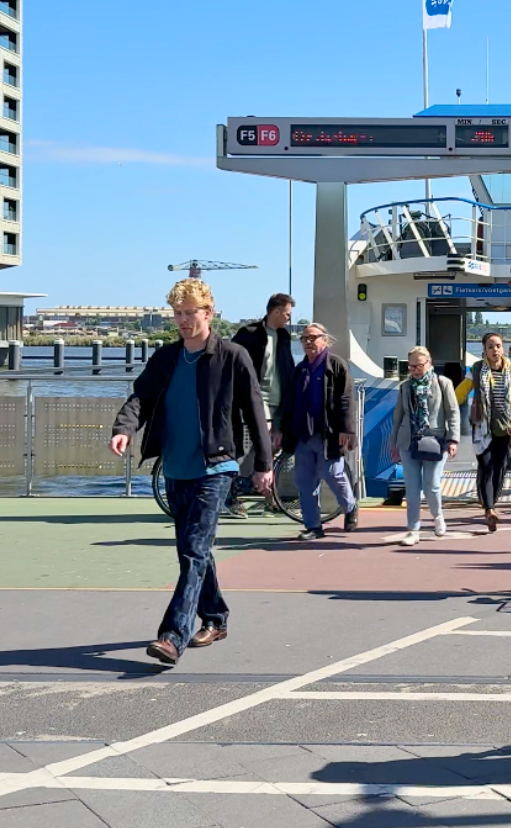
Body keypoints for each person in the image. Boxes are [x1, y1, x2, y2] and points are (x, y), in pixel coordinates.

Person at [111, 279, 274, 667]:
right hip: (176, 467)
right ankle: (215, 617)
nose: (183, 321)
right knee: (193, 551)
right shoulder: (167, 358)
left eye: (190, 313)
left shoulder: (232, 356)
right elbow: (140, 399)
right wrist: (123, 428)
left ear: (208, 313)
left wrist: (264, 465)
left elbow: (254, 410)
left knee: (194, 549)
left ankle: (172, 636)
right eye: (178, 314)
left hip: (217, 467)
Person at [279, 322, 359, 540]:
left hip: (329, 434)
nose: (308, 343)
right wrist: (281, 431)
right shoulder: (300, 370)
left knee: (333, 474)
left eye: (313, 338)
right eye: (304, 339)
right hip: (302, 435)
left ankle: (350, 506)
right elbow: (289, 403)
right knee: (305, 482)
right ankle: (313, 527)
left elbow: (346, 399)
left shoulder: (336, 365)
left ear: (325, 339)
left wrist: (347, 429)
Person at [225, 293, 295, 519]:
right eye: (286, 314)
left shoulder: (284, 336)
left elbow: (286, 367)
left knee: (274, 447)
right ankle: (234, 494)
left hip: (278, 402)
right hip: (255, 401)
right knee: (260, 446)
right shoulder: (250, 334)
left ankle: (268, 497)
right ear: (275, 311)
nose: (288, 319)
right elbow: (230, 361)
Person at [457, 333, 511, 533]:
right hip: (482, 428)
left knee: (499, 470)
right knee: (487, 467)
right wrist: (449, 406)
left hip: (506, 428)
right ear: (484, 350)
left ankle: (491, 503)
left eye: (497, 346)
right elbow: (461, 392)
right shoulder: (477, 369)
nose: (495, 350)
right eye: (490, 346)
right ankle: (489, 509)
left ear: (502, 348)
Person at [390, 346, 458, 546]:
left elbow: (453, 412)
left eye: (418, 366)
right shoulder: (404, 387)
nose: (415, 370)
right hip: (408, 441)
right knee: (412, 487)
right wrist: (393, 443)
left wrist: (453, 440)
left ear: (429, 362)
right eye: (411, 367)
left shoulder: (443, 383)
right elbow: (397, 415)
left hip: (435, 441)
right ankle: (413, 529)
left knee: (431, 484)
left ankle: (437, 516)